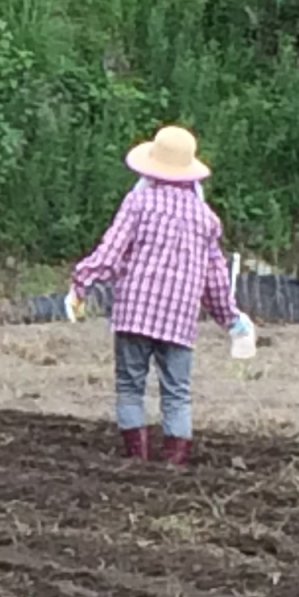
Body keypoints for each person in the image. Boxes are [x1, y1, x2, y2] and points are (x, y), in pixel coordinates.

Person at [66, 125, 254, 466]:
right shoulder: (206, 219)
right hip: (179, 319)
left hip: (134, 311)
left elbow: (110, 253)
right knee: (177, 394)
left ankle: (136, 458)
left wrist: (82, 281)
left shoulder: (139, 201)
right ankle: (173, 465)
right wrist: (231, 320)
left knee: (129, 386)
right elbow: (215, 279)